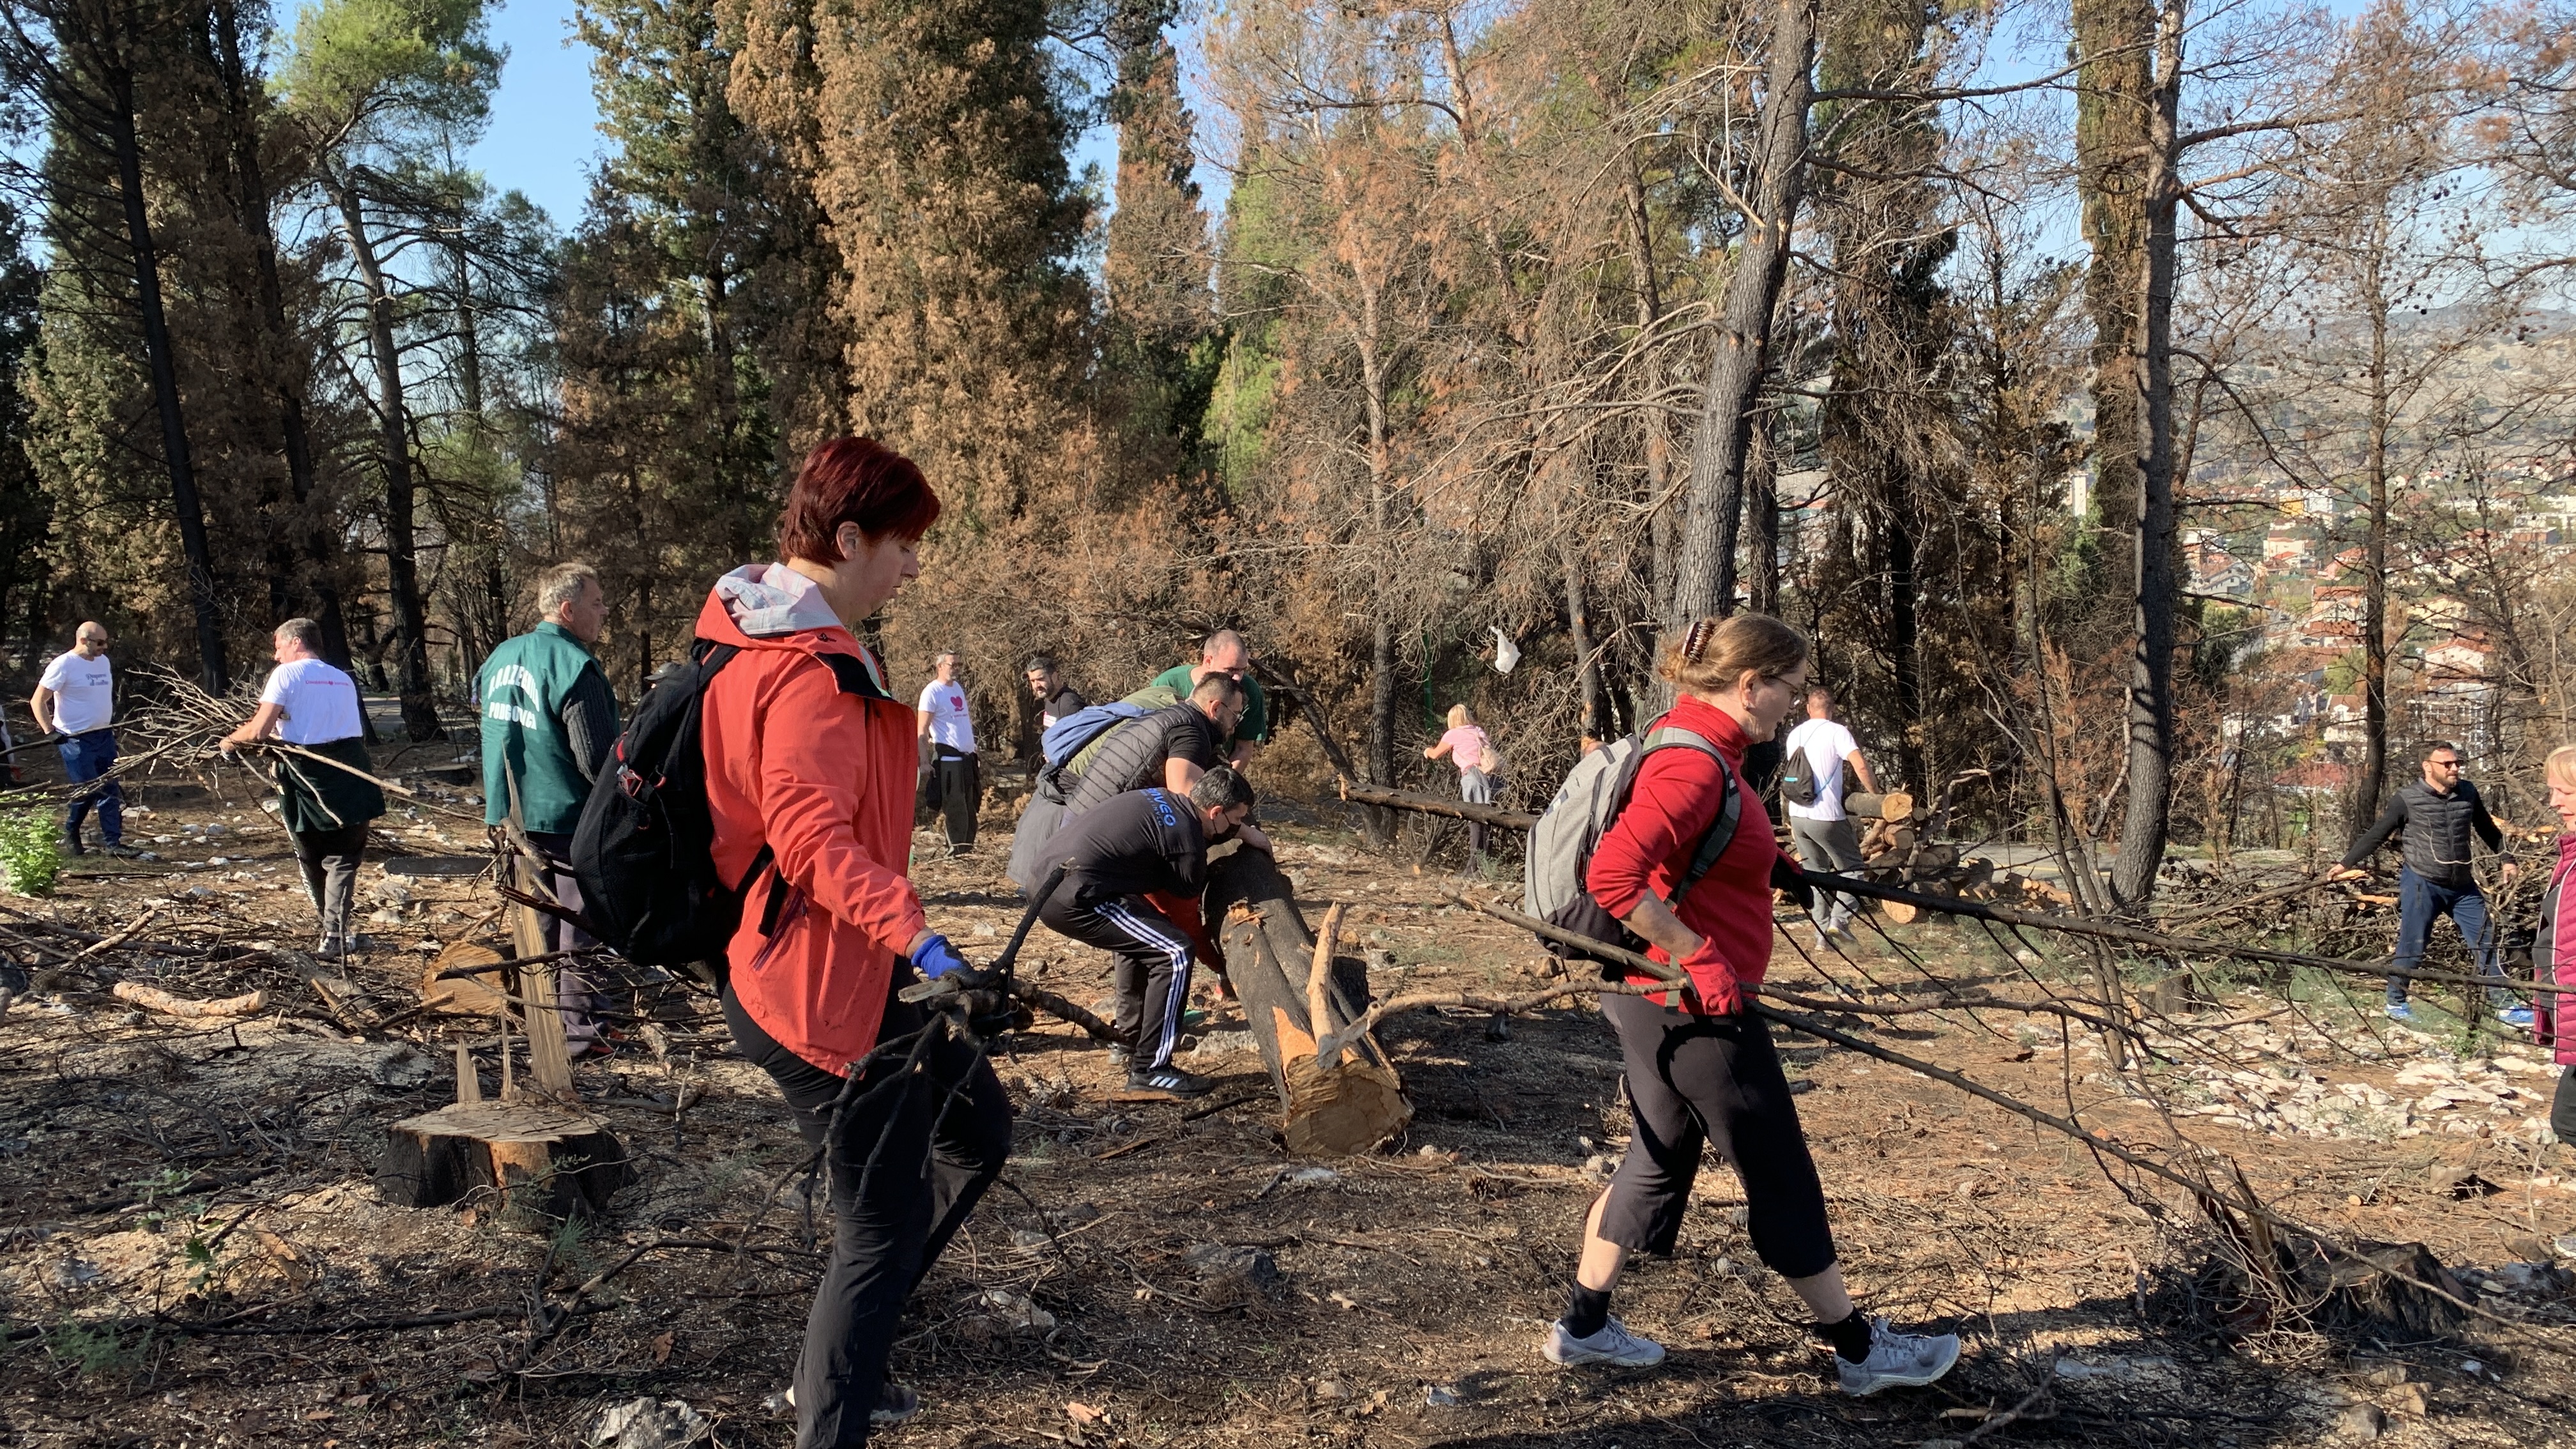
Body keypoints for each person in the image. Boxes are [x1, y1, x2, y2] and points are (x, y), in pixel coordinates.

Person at [1545, 613, 1959, 1397]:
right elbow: (1615, 877)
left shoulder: (1692, 738)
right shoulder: (1693, 764)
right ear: (1749, 685)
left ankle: (1585, 1327)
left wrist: (1771, 865)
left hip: (1647, 998)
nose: (1792, 705)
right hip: (1690, 1005)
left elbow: (1698, 842)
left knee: (1656, 1158)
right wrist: (1699, 956)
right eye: (1788, 689)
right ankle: (1860, 1351)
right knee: (1778, 1170)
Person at [697, 436, 1009, 1446]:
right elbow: (812, 844)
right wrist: (922, 942)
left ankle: (852, 1350)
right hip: (813, 991)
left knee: (980, 1131)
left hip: (852, 966)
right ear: (846, 539)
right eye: (903, 545)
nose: (913, 567)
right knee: (880, 1225)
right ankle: (832, 1405)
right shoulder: (800, 670)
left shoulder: (797, 638)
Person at [1035, 769, 1268, 1100]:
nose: (1238, 827)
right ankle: (1151, 1069)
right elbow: (1186, 923)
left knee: (1145, 935)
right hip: (1073, 896)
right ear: (1216, 812)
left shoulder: (1165, 799)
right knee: (1175, 953)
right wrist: (1222, 967)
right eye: (1237, 819)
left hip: (1048, 877)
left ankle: (1130, 1039)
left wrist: (1243, 833)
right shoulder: (1186, 846)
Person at [477, 562, 620, 1054]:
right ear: (568, 609)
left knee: (536, 924)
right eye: (597, 603)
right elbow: (595, 758)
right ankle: (581, 1032)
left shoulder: (499, 657)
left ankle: (545, 1021)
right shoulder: (573, 665)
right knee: (579, 925)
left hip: (512, 816)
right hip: (567, 814)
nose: (604, 612)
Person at [222, 620, 385, 960]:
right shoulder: (342, 677)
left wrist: (229, 742)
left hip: (306, 775)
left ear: (296, 642)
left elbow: (259, 730)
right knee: (344, 858)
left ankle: (332, 931)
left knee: (311, 856)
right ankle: (335, 932)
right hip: (352, 770)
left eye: (278, 647)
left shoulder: (286, 674)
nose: (276, 655)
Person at [2331, 741, 2525, 1025]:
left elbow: (2487, 828)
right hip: (2423, 882)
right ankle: (2396, 1003)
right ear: (2428, 767)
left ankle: (2506, 1007)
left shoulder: (2468, 793)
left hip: (2463, 887)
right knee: (2413, 944)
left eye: (2457, 763)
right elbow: (2378, 834)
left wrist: (2507, 859)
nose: (2455, 768)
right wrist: (2345, 863)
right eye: (2447, 764)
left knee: (2486, 940)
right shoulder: (2407, 799)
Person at [1781, 687, 1880, 951]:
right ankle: (1840, 921)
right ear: (1832, 709)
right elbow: (1860, 765)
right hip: (1826, 816)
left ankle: (1821, 937)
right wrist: (1876, 796)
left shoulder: (1795, 734)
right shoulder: (1837, 732)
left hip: (1798, 815)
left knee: (1816, 875)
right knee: (1853, 869)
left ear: (1808, 708)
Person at [1060, 673, 1243, 814]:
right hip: (1099, 828)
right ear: (1215, 708)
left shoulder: (1167, 716)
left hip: (1079, 813)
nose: (1235, 726)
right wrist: (1241, 830)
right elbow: (1187, 805)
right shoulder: (1192, 733)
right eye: (1235, 716)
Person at [31, 622, 134, 857]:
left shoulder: (103, 662)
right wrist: (50, 731)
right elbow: (37, 701)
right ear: (83, 641)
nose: (104, 647)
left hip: (104, 735)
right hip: (75, 739)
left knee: (109, 788)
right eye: (100, 643)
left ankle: (113, 844)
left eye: (106, 642)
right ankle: (72, 830)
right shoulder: (63, 665)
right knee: (87, 790)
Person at [2533, 746, 2576, 1149]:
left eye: (2565, 791)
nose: (2553, 801)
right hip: (2569, 1007)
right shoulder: (2570, 855)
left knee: (2568, 1120)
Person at [1147, 629, 1268, 769]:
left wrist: (1223, 780)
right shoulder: (1168, 683)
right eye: (1230, 670)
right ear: (1208, 661)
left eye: (1242, 670)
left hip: (1216, 771)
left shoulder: (1249, 690)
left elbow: (1243, 749)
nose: (1237, 678)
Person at [917, 651, 979, 855]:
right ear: (940, 666)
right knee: (956, 809)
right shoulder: (932, 692)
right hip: (949, 759)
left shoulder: (957, 688)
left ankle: (967, 852)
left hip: (967, 758)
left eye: (960, 665)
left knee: (970, 807)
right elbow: (922, 731)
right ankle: (956, 853)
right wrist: (924, 762)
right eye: (953, 665)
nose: (957, 669)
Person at [1423, 703, 1498, 859]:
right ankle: (1485, 862)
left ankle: (1473, 865)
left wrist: (1427, 751)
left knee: (1474, 819)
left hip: (1472, 777)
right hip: (1489, 777)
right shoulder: (1478, 731)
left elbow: (1436, 754)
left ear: (1452, 719)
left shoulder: (1453, 734)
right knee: (1487, 820)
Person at [1027, 656, 1085, 731]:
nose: (1036, 686)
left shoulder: (1070, 705)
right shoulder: (1049, 699)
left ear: (1054, 677)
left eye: (1041, 679)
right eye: (1033, 681)